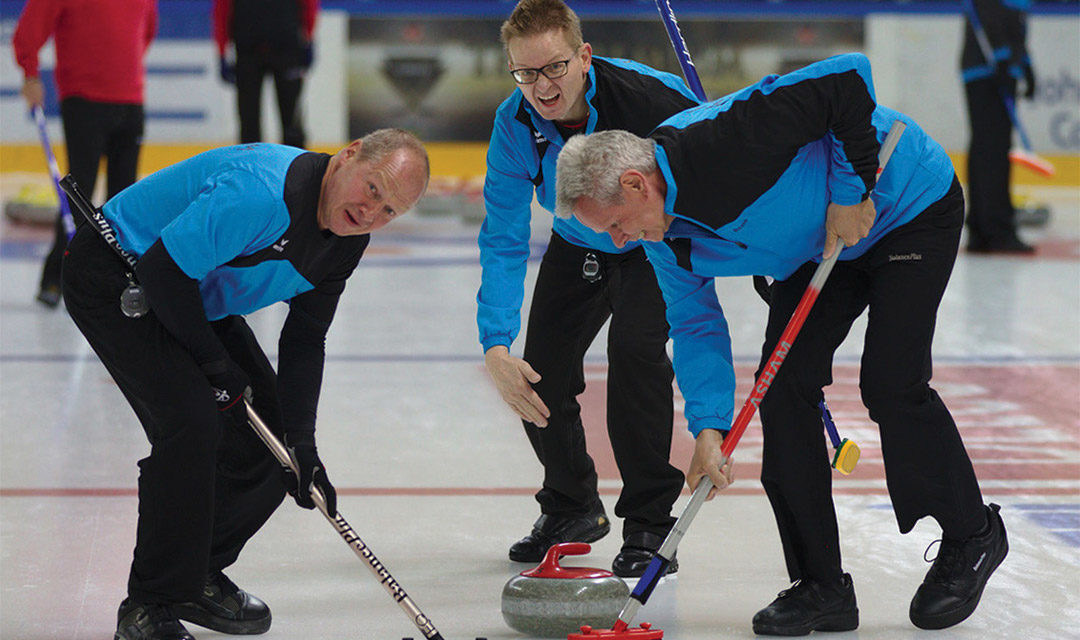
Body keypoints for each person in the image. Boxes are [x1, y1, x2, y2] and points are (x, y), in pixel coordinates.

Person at [555, 53, 1007, 635]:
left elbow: (847, 78)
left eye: (617, 223)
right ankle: (821, 585)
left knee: (891, 383)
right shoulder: (662, 239)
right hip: (819, 251)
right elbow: (694, 324)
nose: (620, 241)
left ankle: (973, 536)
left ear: (637, 182)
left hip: (902, 204)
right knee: (784, 389)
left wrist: (850, 191)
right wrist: (708, 427)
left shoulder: (723, 138)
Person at [61, 130, 429, 640]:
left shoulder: (346, 242)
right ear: (348, 157)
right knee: (190, 424)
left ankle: (195, 575)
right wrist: (217, 370)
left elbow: (305, 338)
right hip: (119, 275)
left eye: (390, 210)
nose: (371, 213)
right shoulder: (261, 193)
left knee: (271, 440)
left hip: (190, 292)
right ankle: (151, 605)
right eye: (372, 189)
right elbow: (163, 272)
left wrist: (303, 444)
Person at [478, 0, 700, 577]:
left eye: (553, 68)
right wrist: (495, 343)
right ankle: (571, 505)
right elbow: (502, 237)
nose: (541, 86)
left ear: (583, 57)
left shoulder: (653, 99)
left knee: (635, 356)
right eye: (525, 73)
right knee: (539, 373)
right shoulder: (514, 124)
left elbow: (717, 173)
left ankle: (650, 523)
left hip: (653, 243)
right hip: (578, 244)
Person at [13, 0, 157, 308]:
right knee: (79, 194)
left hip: (130, 99)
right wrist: (30, 73)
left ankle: (118, 280)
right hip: (84, 99)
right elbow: (28, 32)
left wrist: (120, 71)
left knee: (126, 199)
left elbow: (146, 31)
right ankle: (56, 277)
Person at [961, 0, 1037, 253]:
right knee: (991, 149)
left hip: (998, 69)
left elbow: (1016, 26)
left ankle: (982, 229)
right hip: (986, 69)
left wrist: (1025, 63)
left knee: (990, 147)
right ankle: (996, 230)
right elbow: (987, 14)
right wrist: (1003, 58)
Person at [213, 0, 318, 149]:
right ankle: (251, 165)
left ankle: (297, 165)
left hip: (286, 49)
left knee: (291, 120)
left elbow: (308, 4)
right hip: (249, 52)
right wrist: (222, 52)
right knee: (249, 120)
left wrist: (309, 38)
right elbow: (222, 9)